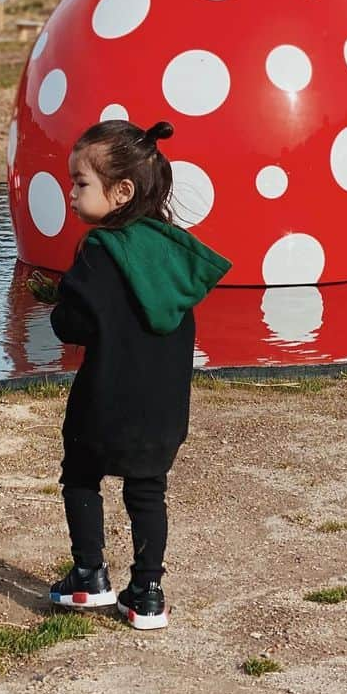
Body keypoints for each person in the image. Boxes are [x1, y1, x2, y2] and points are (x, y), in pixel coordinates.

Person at [28, 119, 230, 629]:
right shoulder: (172, 255)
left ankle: (90, 576)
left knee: (80, 475)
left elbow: (74, 323)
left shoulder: (100, 251)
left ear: (121, 192)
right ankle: (147, 593)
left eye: (80, 183)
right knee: (147, 491)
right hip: (164, 408)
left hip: (104, 402)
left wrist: (56, 303)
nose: (71, 194)